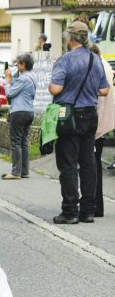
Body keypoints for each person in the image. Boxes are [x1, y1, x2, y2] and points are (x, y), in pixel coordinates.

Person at [48, 20, 109, 224]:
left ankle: (70, 211)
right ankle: (88, 211)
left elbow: (55, 89)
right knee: (88, 164)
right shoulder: (95, 59)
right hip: (91, 115)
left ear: (70, 38)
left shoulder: (65, 60)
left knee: (68, 164)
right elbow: (104, 90)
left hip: (70, 115)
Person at [88, 44, 114, 217]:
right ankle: (97, 206)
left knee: (92, 164)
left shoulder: (97, 66)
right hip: (105, 121)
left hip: (96, 122)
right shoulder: (106, 65)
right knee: (95, 163)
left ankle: (94, 206)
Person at [0, 53, 37, 179]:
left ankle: (16, 172)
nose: (16, 65)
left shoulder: (23, 79)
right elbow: (17, 85)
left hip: (19, 111)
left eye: (18, 63)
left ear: (23, 64)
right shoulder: (32, 77)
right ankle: (24, 171)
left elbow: (10, 93)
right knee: (24, 142)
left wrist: (7, 80)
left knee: (15, 142)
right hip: (29, 111)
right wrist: (13, 75)